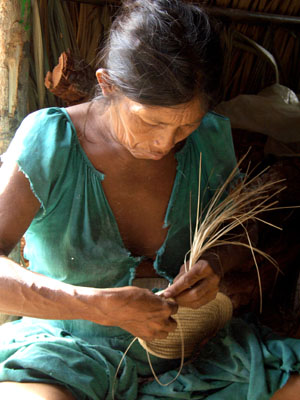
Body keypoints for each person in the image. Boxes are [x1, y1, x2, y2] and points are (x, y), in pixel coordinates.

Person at [0, 0, 299, 399]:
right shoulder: (50, 140)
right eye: (150, 121)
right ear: (107, 85)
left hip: (190, 350)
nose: (164, 143)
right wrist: (97, 306)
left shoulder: (209, 139)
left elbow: (241, 227)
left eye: (185, 126)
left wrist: (215, 262)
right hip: (66, 347)